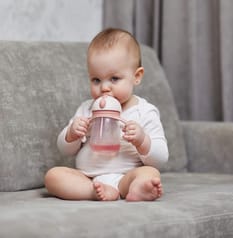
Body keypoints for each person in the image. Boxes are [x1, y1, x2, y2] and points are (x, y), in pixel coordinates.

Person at [44, 28, 169, 201]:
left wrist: (142, 140)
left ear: (137, 76)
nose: (104, 87)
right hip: (88, 177)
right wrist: (72, 133)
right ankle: (93, 191)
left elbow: (161, 158)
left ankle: (135, 188)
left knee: (150, 173)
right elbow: (64, 149)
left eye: (114, 79)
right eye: (96, 80)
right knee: (53, 176)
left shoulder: (145, 111)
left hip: (127, 175)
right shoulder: (87, 108)